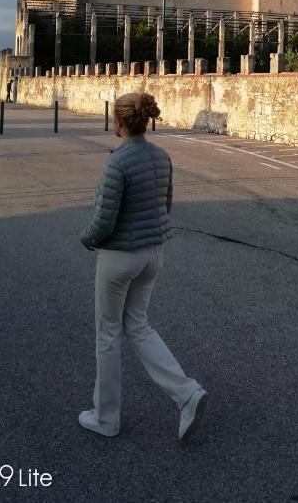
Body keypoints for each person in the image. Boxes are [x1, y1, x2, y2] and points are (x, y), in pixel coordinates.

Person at [79, 92, 208, 441]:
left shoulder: (117, 162)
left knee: (108, 334)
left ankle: (106, 417)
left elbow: (105, 220)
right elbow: (166, 204)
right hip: (153, 254)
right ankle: (186, 393)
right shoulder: (161, 157)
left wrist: (87, 238)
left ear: (118, 121)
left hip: (120, 256)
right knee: (138, 326)